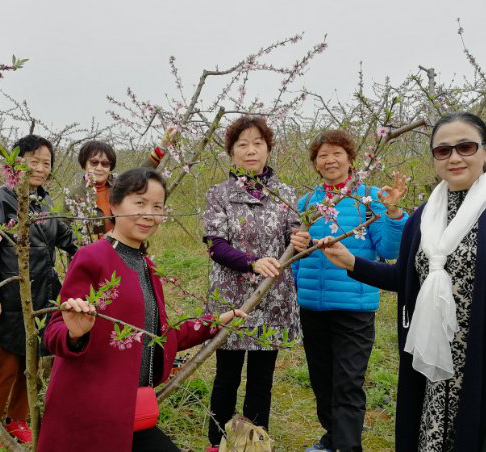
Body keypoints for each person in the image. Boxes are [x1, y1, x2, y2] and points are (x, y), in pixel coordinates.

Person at [294, 112, 486, 451]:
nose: (454, 157)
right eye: (443, 150)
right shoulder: (426, 214)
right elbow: (404, 277)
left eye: (465, 147)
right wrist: (352, 262)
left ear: (485, 152)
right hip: (431, 355)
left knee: (480, 437)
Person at [37, 167, 245, 451]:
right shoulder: (92, 257)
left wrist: (214, 323)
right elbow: (54, 333)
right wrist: (75, 334)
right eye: (140, 203)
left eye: (157, 206)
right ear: (114, 205)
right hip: (89, 411)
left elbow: (157, 334)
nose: (149, 214)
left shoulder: (145, 265)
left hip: (129, 409)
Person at [291, 130, 408, 452]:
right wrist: (299, 282)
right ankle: (332, 438)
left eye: (336, 153)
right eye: (322, 155)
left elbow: (389, 249)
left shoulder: (368, 199)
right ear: (315, 164)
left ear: (351, 159)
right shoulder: (307, 203)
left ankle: (347, 446)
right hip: (313, 306)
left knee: (348, 382)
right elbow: (298, 256)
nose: (330, 160)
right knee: (321, 380)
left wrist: (394, 213)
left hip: (354, 306)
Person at [202, 115, 301, 450]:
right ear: (232, 152)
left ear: (268, 149)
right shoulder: (219, 194)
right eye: (242, 144)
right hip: (231, 300)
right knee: (226, 377)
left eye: (258, 143)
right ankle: (217, 442)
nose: (251, 150)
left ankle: (254, 445)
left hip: (272, 300)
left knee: (261, 379)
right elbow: (215, 244)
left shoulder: (285, 193)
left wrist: (302, 240)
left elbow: (294, 240)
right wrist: (252, 262)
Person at [0, 134, 78, 446]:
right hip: (9, 296)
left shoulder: (42, 201)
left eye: (46, 163)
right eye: (34, 161)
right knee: (5, 366)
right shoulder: (0, 199)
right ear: (16, 163)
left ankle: (17, 419)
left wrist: (92, 252)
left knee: (29, 364)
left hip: (41, 294)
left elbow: (64, 236)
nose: (41, 168)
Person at [65, 128, 177, 239]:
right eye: (94, 162)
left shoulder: (120, 186)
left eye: (105, 164)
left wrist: (162, 145)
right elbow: (65, 232)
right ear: (84, 164)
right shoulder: (74, 197)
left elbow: (141, 171)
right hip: (91, 249)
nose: (99, 168)